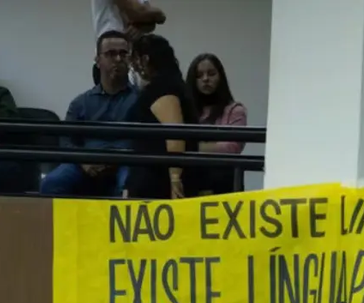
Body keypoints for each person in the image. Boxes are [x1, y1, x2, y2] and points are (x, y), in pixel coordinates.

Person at [40, 31, 138, 197]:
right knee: (52, 183)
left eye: (123, 53)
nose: (119, 59)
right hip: (85, 162)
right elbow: (66, 141)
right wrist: (84, 161)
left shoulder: (142, 100)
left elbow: (147, 142)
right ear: (98, 60)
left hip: (127, 162)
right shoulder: (81, 103)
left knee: (130, 185)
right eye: (111, 54)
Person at [126, 34, 200, 199]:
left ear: (145, 59)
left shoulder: (163, 88)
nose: (132, 66)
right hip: (150, 173)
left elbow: (175, 133)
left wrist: (175, 178)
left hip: (158, 180)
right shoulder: (169, 85)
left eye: (134, 59)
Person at [186, 53, 248, 194]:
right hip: (190, 183)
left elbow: (232, 147)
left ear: (221, 77)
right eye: (199, 75)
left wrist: (193, 146)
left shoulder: (235, 110)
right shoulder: (185, 110)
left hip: (223, 185)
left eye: (211, 73)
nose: (205, 79)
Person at [92, 0, 166, 84]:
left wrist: (141, 25)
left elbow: (151, 25)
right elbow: (136, 11)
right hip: (111, 57)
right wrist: (159, 14)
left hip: (131, 57)